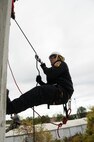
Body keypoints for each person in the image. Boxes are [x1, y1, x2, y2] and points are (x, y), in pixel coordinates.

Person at [6, 52, 74, 114]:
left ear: (58, 57)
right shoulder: (55, 70)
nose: (51, 58)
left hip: (63, 92)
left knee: (39, 91)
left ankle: (11, 108)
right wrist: (40, 82)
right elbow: (49, 86)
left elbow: (50, 73)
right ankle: (11, 108)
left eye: (53, 56)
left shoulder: (61, 64)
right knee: (35, 98)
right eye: (50, 57)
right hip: (59, 94)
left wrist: (43, 66)